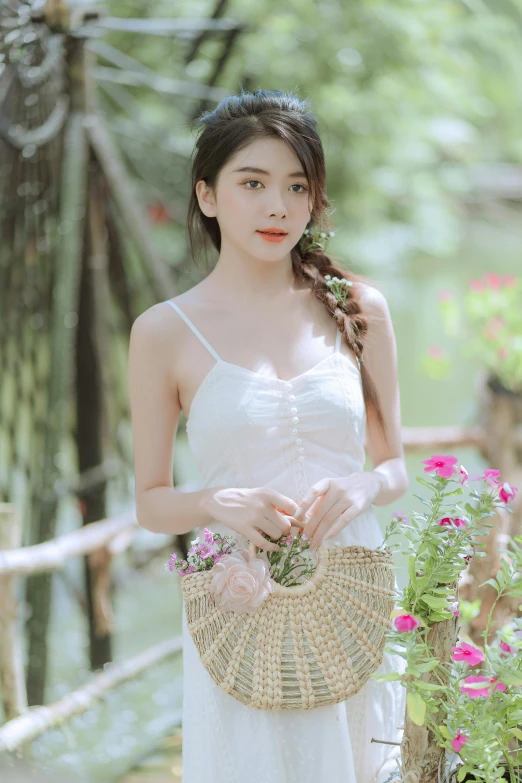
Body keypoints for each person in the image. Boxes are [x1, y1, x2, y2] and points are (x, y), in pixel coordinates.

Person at [129, 88, 408, 783]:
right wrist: (215, 500)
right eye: (252, 183)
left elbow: (395, 464)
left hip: (352, 590)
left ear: (314, 200)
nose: (277, 206)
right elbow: (150, 499)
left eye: (295, 186)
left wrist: (364, 481)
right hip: (242, 595)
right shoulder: (164, 331)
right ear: (208, 195)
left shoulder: (358, 307)